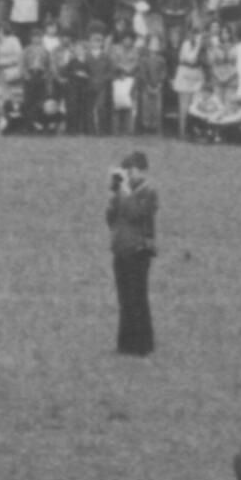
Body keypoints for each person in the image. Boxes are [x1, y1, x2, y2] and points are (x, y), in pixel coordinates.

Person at [105, 149, 160, 354]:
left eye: (131, 170)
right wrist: (113, 195)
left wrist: (124, 190)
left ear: (141, 170)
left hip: (138, 250)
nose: (128, 175)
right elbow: (111, 218)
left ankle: (142, 345)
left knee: (137, 298)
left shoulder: (149, 191)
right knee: (124, 299)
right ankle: (125, 344)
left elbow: (135, 213)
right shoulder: (123, 192)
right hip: (121, 249)